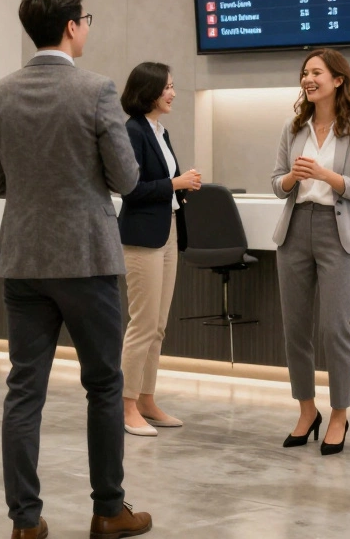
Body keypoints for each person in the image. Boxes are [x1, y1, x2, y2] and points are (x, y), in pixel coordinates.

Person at [0, 0, 152, 539]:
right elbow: (127, 177)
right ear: (73, 25)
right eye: (88, 19)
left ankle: (25, 523)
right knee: (103, 385)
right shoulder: (97, 90)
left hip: (23, 260)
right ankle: (108, 510)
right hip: (87, 259)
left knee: (23, 389)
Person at [271, 48, 350, 456]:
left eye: (316, 72)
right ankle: (306, 409)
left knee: (335, 328)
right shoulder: (293, 127)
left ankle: (339, 414)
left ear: (338, 80)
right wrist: (292, 178)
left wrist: (324, 174)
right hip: (295, 228)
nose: (308, 79)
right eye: (304, 73)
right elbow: (276, 181)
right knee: (295, 328)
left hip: (339, 230)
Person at [117, 62, 199, 438]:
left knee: (159, 326)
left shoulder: (160, 131)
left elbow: (161, 184)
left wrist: (180, 186)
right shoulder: (132, 131)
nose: (173, 93)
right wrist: (176, 182)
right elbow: (130, 189)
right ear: (148, 90)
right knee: (143, 324)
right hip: (142, 236)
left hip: (167, 231)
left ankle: (147, 400)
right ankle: (126, 404)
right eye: (167, 86)